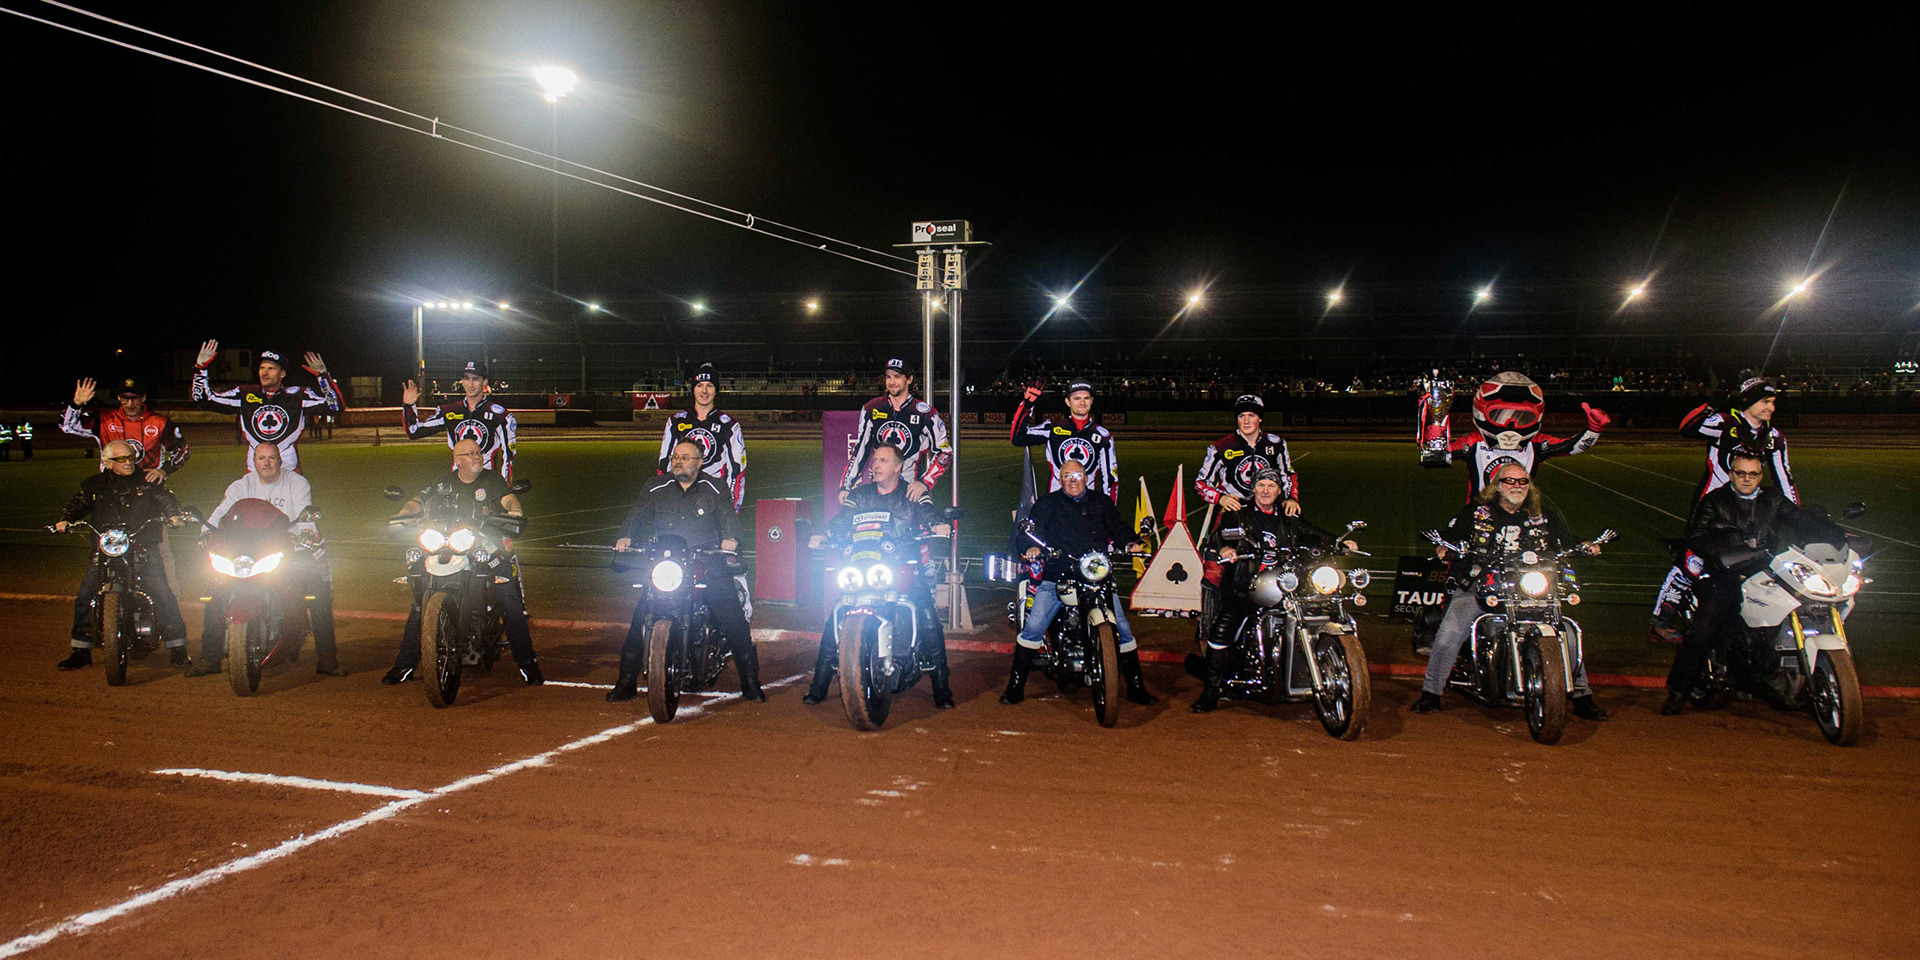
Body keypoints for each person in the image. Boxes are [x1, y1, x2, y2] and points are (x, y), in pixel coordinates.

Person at [1410, 462, 1608, 720]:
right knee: (1450, 632)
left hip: (1529, 587)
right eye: (1510, 481)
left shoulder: (1541, 515)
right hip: (1482, 584)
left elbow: (1565, 539)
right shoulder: (1477, 513)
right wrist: (1445, 546)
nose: (1517, 486)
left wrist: (1585, 545)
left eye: (1523, 481)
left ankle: (1582, 695)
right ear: (1497, 486)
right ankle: (1431, 693)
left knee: (1565, 632)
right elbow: (1453, 533)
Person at [1661, 450, 1839, 715]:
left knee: (1799, 605)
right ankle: (1679, 691)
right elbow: (1696, 536)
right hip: (1725, 572)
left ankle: (1781, 677)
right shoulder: (1715, 500)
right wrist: (1723, 554)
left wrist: (1833, 532)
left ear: (1760, 476)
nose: (1747, 479)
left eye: (1753, 474)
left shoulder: (1773, 499)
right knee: (1704, 629)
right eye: (1741, 473)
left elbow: (1799, 518)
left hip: (1765, 569)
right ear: (1731, 474)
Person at [380, 439, 543, 686]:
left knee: (509, 602)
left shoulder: (492, 479)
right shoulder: (442, 483)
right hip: (449, 543)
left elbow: (509, 499)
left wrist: (514, 512)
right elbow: (417, 501)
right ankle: (405, 664)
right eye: (471, 454)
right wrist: (403, 515)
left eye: (479, 452)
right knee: (419, 605)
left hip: (486, 544)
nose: (478, 456)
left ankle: (527, 662)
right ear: (457, 460)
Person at [803, 443, 954, 708]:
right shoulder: (860, 494)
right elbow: (843, 519)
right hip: (864, 566)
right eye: (874, 461)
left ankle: (942, 688)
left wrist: (938, 524)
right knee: (837, 614)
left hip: (904, 567)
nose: (876, 466)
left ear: (898, 466)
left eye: (883, 461)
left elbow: (929, 512)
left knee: (928, 618)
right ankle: (819, 685)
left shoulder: (912, 492)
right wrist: (825, 534)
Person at [1192, 469, 1355, 713]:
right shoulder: (1239, 513)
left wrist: (1338, 542)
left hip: (1285, 583)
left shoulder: (1288, 516)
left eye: (1271, 486)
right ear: (1254, 488)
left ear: (1279, 491)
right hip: (1246, 584)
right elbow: (1221, 535)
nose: (1265, 490)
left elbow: (1311, 532)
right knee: (1221, 630)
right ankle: (1211, 690)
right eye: (1261, 485)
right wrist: (1226, 548)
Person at [610, 440, 761, 702]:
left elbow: (728, 517)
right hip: (668, 564)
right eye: (675, 457)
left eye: (685, 457)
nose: (679, 461)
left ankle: (750, 683)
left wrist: (731, 539)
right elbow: (637, 515)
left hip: (707, 563)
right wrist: (625, 537)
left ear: (700, 462)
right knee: (640, 619)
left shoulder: (715, 487)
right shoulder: (655, 486)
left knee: (733, 620)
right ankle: (625, 682)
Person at [1000, 459, 1158, 706]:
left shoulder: (1100, 502)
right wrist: (1031, 546)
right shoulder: (1048, 504)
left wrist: (1131, 542)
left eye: (1077, 475)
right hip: (1058, 572)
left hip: (1096, 573)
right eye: (1067, 476)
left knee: (1123, 628)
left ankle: (1136, 686)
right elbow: (1031, 531)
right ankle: (1015, 687)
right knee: (1034, 626)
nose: (1073, 480)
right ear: (1060, 480)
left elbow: (1117, 526)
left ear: (1087, 477)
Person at [1651, 376, 1796, 641]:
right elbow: (1687, 427)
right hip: (1712, 508)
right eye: (1765, 401)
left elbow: (1784, 479)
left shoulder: (1775, 438)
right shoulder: (1724, 423)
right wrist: (1710, 405)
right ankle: (1662, 618)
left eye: (1773, 402)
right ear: (1749, 401)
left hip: (1752, 511)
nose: (1771, 408)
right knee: (1693, 562)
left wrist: (1796, 516)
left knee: (1759, 563)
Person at [184, 443, 345, 677]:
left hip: (293, 548)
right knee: (214, 592)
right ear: (254, 461)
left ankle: (327, 658)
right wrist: (206, 531)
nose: (267, 463)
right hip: (249, 552)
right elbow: (222, 511)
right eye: (261, 458)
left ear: (280, 460)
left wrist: (306, 532)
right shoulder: (241, 485)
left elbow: (304, 511)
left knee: (317, 595)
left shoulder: (296, 483)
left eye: (272, 458)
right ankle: (210, 657)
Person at [52, 440, 191, 669]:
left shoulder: (148, 481)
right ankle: (80, 649)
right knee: (85, 594)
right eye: (121, 459)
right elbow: (79, 502)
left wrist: (174, 515)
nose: (128, 463)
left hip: (142, 546)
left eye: (130, 457)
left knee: (161, 591)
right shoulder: (95, 485)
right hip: (107, 548)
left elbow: (165, 498)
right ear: (108, 463)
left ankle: (177, 646)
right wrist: (66, 519)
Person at [1430, 371, 1610, 501]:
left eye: (1522, 417)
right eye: (1500, 415)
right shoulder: (1473, 441)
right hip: (1476, 517)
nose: (1511, 424)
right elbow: (1435, 458)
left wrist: (1594, 429)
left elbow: (1572, 447)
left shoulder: (1536, 443)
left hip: (1521, 518)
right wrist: (1435, 433)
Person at [191, 340, 341, 472]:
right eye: (262, 367)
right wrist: (201, 368)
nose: (264, 372)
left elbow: (335, 406)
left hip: (288, 473)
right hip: (254, 474)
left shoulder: (298, 395)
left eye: (271, 368)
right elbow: (204, 399)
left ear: (282, 374)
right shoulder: (245, 394)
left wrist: (322, 376)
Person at [839, 358, 951, 505]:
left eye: (897, 377)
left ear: (909, 379)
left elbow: (945, 452)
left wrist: (925, 482)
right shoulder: (872, 408)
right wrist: (846, 486)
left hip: (909, 493)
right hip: (877, 491)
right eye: (888, 377)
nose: (892, 382)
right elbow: (860, 450)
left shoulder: (925, 413)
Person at [400, 361, 518, 480]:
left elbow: (509, 456)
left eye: (475, 379)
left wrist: (503, 486)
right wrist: (409, 405)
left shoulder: (500, 415)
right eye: (466, 378)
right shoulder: (449, 411)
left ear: (485, 382)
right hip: (457, 482)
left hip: (487, 481)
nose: (470, 384)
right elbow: (413, 432)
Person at [61, 377, 191, 480]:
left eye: (135, 398)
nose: (130, 404)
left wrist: (164, 470)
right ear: (118, 398)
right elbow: (67, 426)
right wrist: (76, 404)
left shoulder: (160, 422)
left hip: (148, 485)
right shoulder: (104, 420)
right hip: (112, 485)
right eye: (125, 398)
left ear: (143, 398)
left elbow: (182, 450)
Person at [1009, 378, 1119, 500]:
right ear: (1068, 401)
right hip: (1055, 504)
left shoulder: (1103, 436)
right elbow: (1018, 437)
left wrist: (1108, 509)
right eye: (1077, 398)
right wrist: (1027, 405)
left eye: (1086, 398)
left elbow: (1111, 480)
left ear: (1092, 401)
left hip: (1087, 505)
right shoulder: (1053, 427)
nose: (1082, 402)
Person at [658, 363, 747, 510]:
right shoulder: (676, 421)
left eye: (710, 385)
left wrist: (732, 506)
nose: (704, 391)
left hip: (714, 500)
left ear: (716, 390)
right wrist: (666, 499)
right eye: (699, 385)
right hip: (680, 499)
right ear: (693, 389)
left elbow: (737, 469)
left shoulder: (729, 425)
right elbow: (664, 464)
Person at [1196, 394, 1300, 516]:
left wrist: (1291, 498)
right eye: (1241, 416)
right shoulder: (1221, 447)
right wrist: (1220, 498)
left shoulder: (1276, 444)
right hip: (1233, 512)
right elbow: (1201, 482)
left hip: (1267, 511)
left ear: (1260, 418)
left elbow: (1288, 474)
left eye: (1251, 415)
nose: (1246, 421)